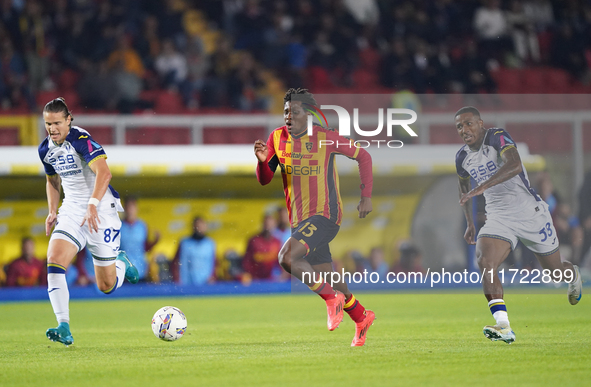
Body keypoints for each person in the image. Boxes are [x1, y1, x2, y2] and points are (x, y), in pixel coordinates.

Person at [254, 88, 375, 346]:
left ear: (307, 115)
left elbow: (363, 156)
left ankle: (332, 300)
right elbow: (265, 180)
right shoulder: (277, 137)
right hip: (300, 222)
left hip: (326, 215)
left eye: (294, 112)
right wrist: (262, 162)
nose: (288, 116)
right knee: (328, 276)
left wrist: (366, 196)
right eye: (286, 111)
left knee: (286, 257)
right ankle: (361, 316)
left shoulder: (326, 138)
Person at [454, 106, 582, 344]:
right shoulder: (462, 157)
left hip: (529, 212)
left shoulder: (496, 136)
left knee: (554, 273)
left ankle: (571, 273)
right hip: (499, 216)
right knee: (485, 261)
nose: (464, 129)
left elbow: (513, 165)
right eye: (459, 126)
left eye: (469, 123)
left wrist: (482, 186)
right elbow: (463, 188)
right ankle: (504, 326)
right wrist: (470, 223)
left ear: (480, 123)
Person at [38, 98, 139, 346]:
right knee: (54, 259)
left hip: (101, 210)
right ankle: (63, 326)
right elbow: (52, 181)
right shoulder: (45, 149)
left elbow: (105, 173)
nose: (52, 128)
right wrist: (53, 210)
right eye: (48, 123)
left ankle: (121, 263)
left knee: (105, 286)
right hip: (72, 210)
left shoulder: (80, 140)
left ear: (69, 119)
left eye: (57, 123)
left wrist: (93, 204)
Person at [120, 196, 160, 282]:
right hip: (122, 272)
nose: (130, 210)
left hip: (139, 270)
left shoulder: (142, 226)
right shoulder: (118, 226)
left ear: (136, 209)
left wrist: (155, 242)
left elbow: (144, 248)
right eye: (128, 207)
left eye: (132, 207)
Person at [172, 217, 216, 286]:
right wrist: (177, 279)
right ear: (193, 227)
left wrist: (213, 277)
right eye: (197, 226)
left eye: (201, 226)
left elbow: (215, 263)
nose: (199, 229)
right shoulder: (185, 243)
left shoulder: (210, 244)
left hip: (205, 283)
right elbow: (176, 262)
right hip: (186, 283)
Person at [242, 214, 283, 280]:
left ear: (275, 225)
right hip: (255, 279)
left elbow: (281, 263)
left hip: (271, 279)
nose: (268, 227)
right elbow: (247, 261)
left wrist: (282, 277)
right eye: (266, 224)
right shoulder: (254, 241)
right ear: (263, 224)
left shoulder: (277, 242)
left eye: (270, 225)